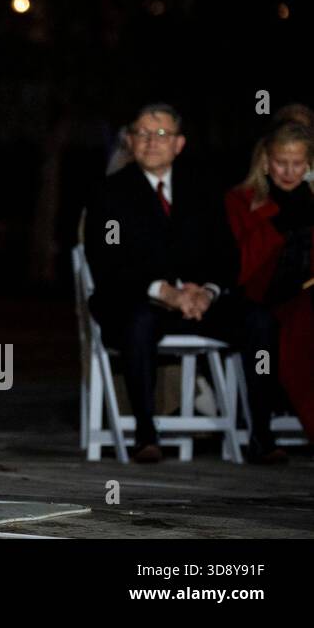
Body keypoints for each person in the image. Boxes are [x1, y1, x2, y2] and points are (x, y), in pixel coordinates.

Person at [83, 103, 282, 463]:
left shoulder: (202, 189)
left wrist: (206, 291)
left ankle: (262, 437)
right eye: (142, 133)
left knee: (260, 320)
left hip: (199, 302)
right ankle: (146, 435)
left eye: (161, 134)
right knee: (138, 322)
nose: (151, 142)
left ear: (179, 144)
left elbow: (226, 255)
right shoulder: (109, 192)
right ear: (129, 141)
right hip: (137, 301)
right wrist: (166, 291)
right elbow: (107, 262)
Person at [225, 120, 314, 448]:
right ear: (265, 161)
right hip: (254, 299)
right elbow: (240, 267)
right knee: (268, 328)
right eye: (281, 163)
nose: (289, 172)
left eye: (297, 164)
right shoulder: (241, 200)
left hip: (301, 299)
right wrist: (278, 222)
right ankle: (262, 432)